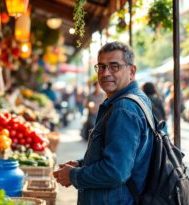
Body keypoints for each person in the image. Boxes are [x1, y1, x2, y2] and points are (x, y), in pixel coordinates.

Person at [53, 41, 154, 205]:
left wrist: (73, 175)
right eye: (101, 66)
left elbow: (116, 171)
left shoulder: (124, 108)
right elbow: (119, 155)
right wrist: (82, 164)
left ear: (132, 71)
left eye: (114, 66)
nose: (105, 73)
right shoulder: (133, 100)